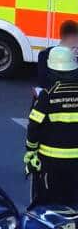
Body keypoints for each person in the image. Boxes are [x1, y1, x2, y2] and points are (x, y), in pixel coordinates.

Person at [25, 46, 78, 205]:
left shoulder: (47, 96)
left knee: (50, 204)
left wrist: (30, 152)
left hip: (51, 162)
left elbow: (34, 128)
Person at [37, 20, 78, 90]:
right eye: (74, 46)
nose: (76, 50)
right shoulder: (45, 55)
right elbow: (44, 83)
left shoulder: (44, 54)